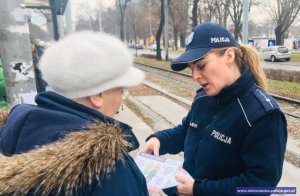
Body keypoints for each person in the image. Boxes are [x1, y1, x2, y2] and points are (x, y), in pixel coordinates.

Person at [144, 23, 287, 196]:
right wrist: (159, 140)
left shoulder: (263, 116)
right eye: (192, 68)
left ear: (229, 56)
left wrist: (199, 189)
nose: (195, 76)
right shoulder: (203, 97)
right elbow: (187, 131)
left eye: (201, 66)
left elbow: (260, 184)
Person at [0, 32, 149, 195]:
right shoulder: (109, 168)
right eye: (121, 91)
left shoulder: (12, 131)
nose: (121, 100)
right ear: (97, 96)